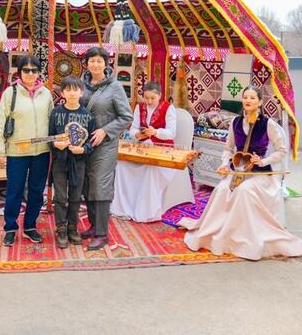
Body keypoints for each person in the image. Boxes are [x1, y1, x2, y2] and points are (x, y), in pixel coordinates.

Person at [179, 86, 302, 260]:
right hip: (238, 171)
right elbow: (228, 148)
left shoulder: (268, 124)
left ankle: (242, 237)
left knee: (243, 191)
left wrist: (263, 161)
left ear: (260, 102)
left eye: (252, 98)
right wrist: (225, 164)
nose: (248, 100)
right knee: (222, 189)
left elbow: (282, 150)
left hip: (260, 174)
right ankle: (221, 231)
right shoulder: (236, 122)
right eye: (245, 97)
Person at [0, 55, 54, 246]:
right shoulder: (10, 93)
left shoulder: (46, 94)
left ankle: (30, 226)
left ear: (38, 72)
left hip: (41, 151)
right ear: (19, 72)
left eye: (34, 70)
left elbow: (52, 120)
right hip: (17, 151)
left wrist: (57, 144)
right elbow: (0, 121)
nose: (30, 74)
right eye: (26, 70)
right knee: (14, 190)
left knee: (36, 191)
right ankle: (10, 228)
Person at [111, 81, 195, 222]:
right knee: (121, 164)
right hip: (144, 147)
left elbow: (171, 133)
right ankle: (123, 206)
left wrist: (156, 132)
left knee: (150, 168)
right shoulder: (139, 107)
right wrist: (138, 134)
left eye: (152, 98)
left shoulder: (168, 108)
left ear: (160, 96)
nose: (149, 101)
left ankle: (146, 210)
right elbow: (133, 129)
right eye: (146, 98)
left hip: (163, 150)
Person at [79, 47, 134, 250]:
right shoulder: (82, 84)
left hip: (105, 145)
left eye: (99, 61)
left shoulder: (115, 87)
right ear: (86, 63)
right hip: (85, 143)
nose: (95, 64)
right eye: (91, 61)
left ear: (105, 63)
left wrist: (105, 130)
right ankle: (94, 226)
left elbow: (126, 117)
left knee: (100, 184)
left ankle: (102, 233)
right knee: (87, 184)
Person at [49, 76, 95, 249]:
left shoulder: (87, 115)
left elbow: (92, 141)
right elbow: (50, 137)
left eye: (75, 89)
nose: (72, 93)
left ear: (81, 92)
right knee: (60, 197)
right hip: (60, 162)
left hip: (79, 162)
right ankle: (61, 229)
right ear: (62, 93)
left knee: (75, 196)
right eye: (68, 90)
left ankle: (72, 227)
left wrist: (83, 150)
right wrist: (55, 144)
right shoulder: (56, 113)